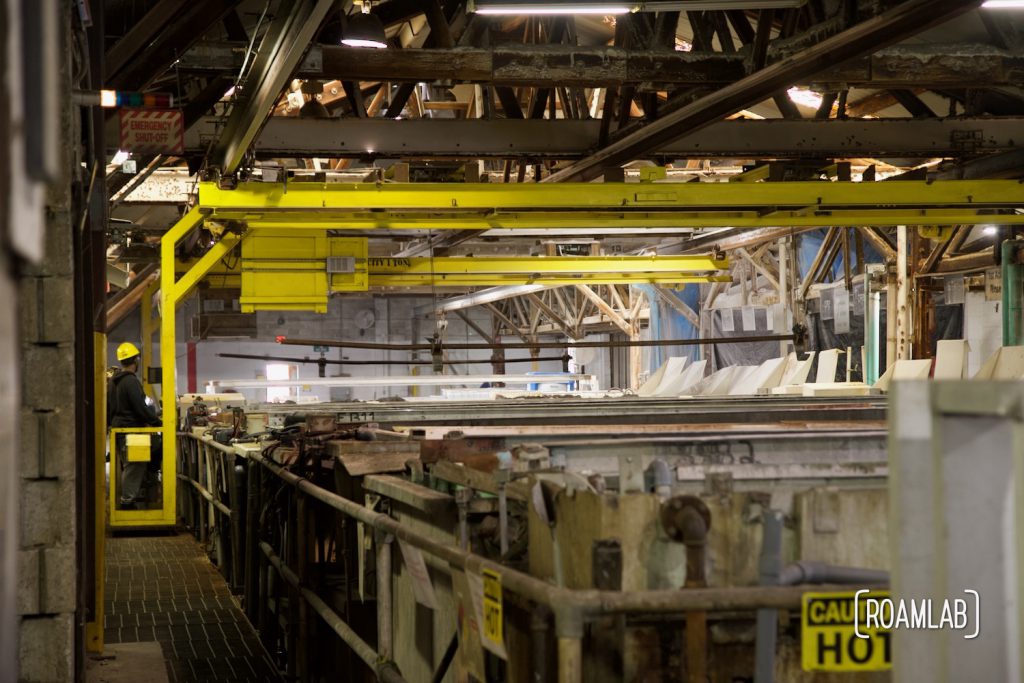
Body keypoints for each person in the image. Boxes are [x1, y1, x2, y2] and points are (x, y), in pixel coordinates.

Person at [107, 342, 161, 508]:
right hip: (131, 431)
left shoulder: (114, 381)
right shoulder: (130, 381)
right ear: (136, 360)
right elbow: (140, 407)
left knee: (135, 463)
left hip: (119, 429)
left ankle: (143, 485)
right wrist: (156, 421)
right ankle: (127, 502)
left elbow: (109, 408)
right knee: (135, 465)